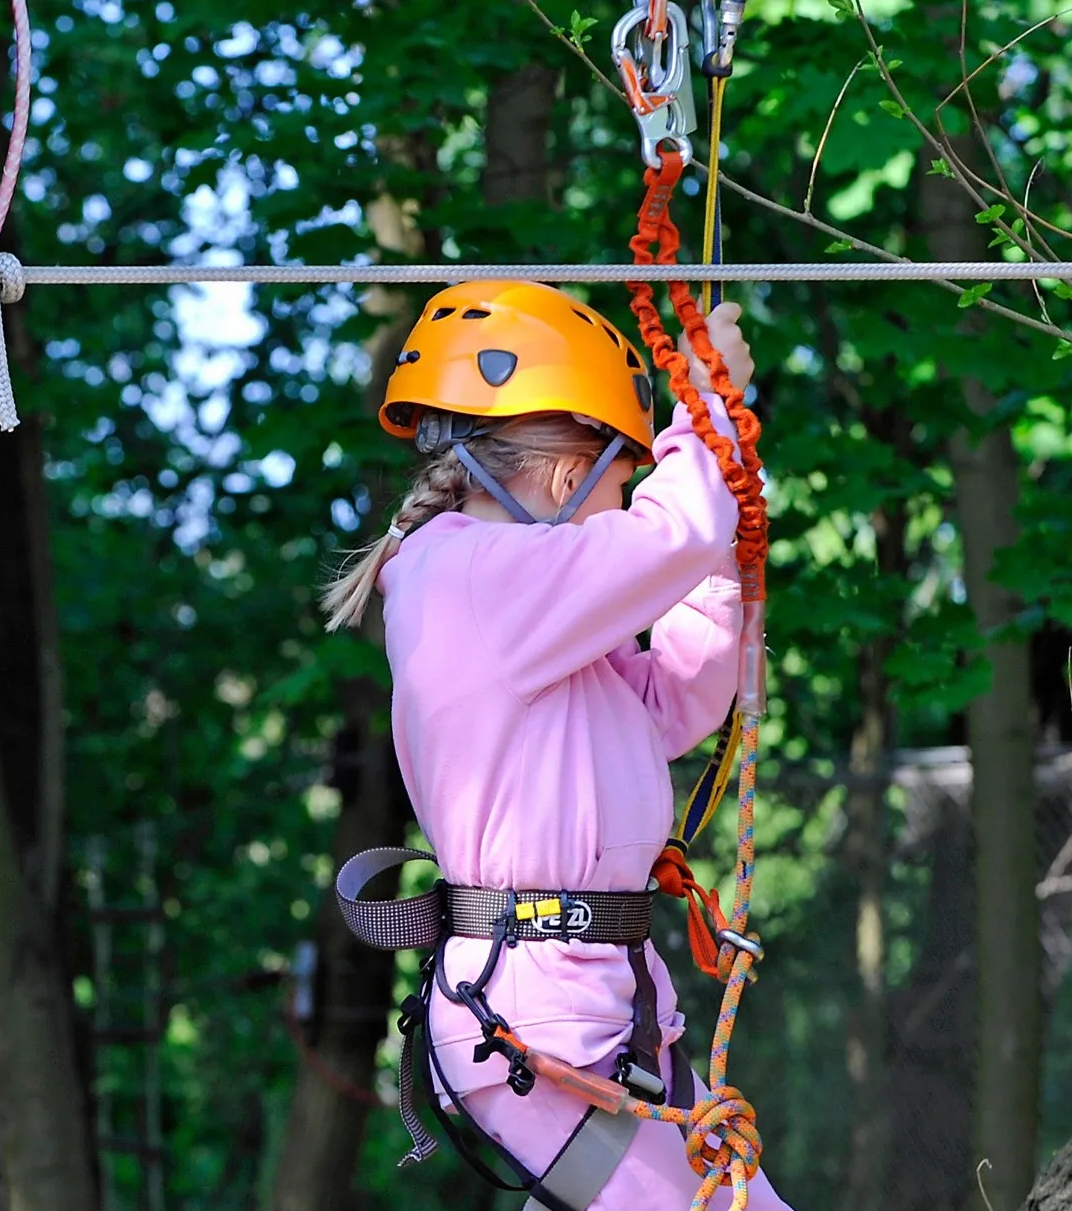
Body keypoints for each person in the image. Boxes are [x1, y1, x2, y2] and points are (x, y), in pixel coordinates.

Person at [325, 282, 790, 1208]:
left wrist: (718, 556)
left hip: (589, 1006)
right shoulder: (470, 577)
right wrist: (706, 418)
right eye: (622, 480)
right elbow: (671, 533)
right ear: (557, 473)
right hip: (540, 1016)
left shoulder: (531, 610)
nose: (625, 503)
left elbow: (676, 697)